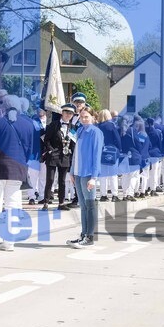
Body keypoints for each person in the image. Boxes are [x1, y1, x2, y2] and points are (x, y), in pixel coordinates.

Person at [0, 105, 29, 252]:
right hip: (17, 169)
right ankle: (9, 241)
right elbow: (29, 148)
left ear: (3, 110)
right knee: (13, 206)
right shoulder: (26, 124)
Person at [67, 104, 103, 248]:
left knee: (90, 205)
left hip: (88, 173)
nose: (83, 119)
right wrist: (71, 171)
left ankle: (90, 236)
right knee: (83, 206)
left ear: (93, 118)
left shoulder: (95, 132)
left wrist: (94, 177)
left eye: (86, 117)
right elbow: (75, 153)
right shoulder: (81, 130)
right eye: (81, 117)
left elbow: (96, 155)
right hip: (78, 172)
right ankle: (83, 234)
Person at [42, 103, 75, 210]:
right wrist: (50, 151)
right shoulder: (54, 125)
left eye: (70, 113)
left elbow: (74, 143)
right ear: (62, 113)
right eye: (66, 112)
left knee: (62, 181)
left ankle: (61, 203)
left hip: (65, 156)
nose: (68, 115)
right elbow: (46, 139)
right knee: (50, 179)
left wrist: (72, 156)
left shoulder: (73, 128)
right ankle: (46, 202)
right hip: (53, 156)